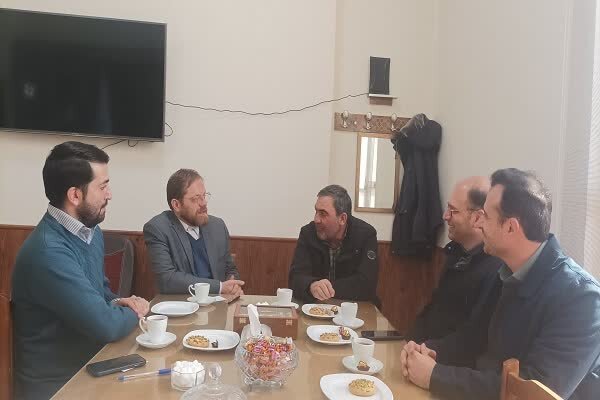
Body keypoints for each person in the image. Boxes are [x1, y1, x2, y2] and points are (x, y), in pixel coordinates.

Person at [401, 168, 600, 400]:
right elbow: (472, 338)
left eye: (485, 216)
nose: (479, 224)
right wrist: (428, 351)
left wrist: (435, 376)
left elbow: (531, 392)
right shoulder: (506, 272)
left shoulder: (582, 300)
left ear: (510, 227)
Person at [12, 141, 149, 400]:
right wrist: (136, 310)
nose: (109, 194)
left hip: (92, 366)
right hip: (58, 386)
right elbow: (105, 325)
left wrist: (119, 301)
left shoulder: (89, 232)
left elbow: (100, 291)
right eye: (103, 186)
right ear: (75, 195)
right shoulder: (48, 252)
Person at [406, 176, 503, 343]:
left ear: (478, 218)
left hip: (446, 357)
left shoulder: (496, 268)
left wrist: (426, 351)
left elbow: (474, 337)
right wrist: (410, 342)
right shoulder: (455, 252)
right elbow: (433, 308)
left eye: (453, 210)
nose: (445, 216)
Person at [144, 169, 243, 295]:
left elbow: (230, 269)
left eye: (204, 196)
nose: (204, 203)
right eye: (196, 199)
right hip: (181, 304)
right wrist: (219, 287)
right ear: (176, 205)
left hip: (219, 302)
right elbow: (167, 279)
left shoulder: (217, 226)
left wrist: (232, 284)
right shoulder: (158, 229)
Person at [288, 184, 379, 303]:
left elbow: (367, 284)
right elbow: (295, 278)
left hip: (354, 307)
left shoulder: (365, 235)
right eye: (316, 212)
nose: (316, 219)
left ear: (342, 219)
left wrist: (326, 288)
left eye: (323, 214)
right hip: (315, 307)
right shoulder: (308, 233)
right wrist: (311, 286)